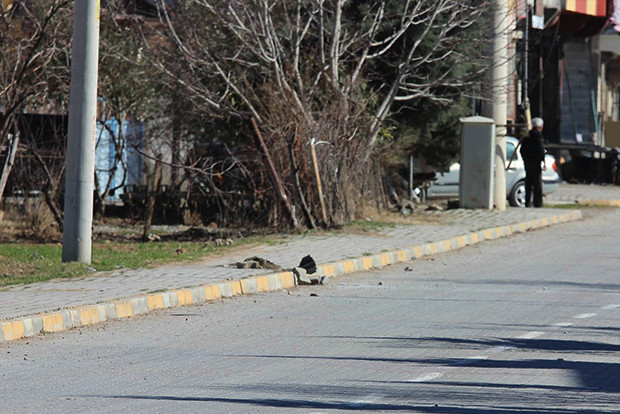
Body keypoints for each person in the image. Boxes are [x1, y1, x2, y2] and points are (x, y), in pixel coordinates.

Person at [520, 117, 546, 208]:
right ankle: (538, 203)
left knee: (528, 183)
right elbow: (540, 149)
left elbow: (522, 150)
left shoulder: (527, 135)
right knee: (537, 184)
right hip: (535, 162)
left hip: (527, 162)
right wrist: (542, 159)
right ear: (540, 127)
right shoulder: (538, 136)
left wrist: (525, 159)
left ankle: (527, 203)